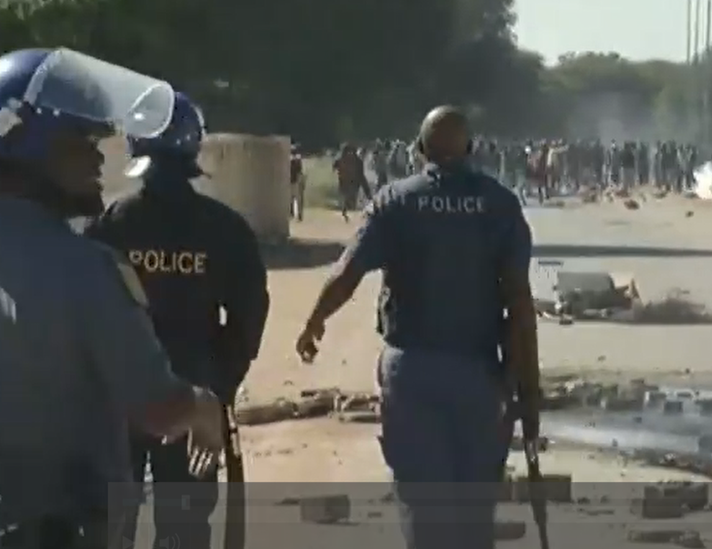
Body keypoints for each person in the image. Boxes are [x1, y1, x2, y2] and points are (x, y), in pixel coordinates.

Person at [0, 47, 226, 549]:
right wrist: (205, 406)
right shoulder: (84, 267)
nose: (100, 156)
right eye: (81, 139)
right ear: (28, 144)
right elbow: (159, 410)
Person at [295, 105, 541, 549]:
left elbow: (347, 272)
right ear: (471, 148)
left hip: (412, 373)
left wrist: (315, 321)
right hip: (479, 374)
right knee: (474, 510)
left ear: (419, 148)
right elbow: (520, 303)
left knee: (423, 505)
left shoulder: (396, 200)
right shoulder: (500, 204)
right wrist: (529, 387)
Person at [84, 91, 270, 549]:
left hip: (119, 398)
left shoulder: (110, 224)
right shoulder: (226, 228)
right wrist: (219, 387)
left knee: (108, 526)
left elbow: (85, 313)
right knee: (185, 529)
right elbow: (248, 317)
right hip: (191, 396)